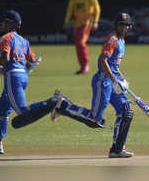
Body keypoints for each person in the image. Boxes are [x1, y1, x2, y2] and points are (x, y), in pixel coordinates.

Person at [52, 13, 134, 158]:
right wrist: (115, 80)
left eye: (126, 25)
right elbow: (103, 61)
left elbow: (114, 65)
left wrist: (122, 78)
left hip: (112, 80)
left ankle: (117, 149)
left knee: (126, 110)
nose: (123, 27)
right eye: (120, 24)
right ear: (116, 25)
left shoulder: (122, 41)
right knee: (95, 119)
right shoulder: (113, 39)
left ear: (129, 27)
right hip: (103, 81)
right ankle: (62, 105)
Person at [0, 10, 63, 154]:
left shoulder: (5, 38)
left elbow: (5, 59)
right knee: (3, 108)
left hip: (13, 77)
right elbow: (32, 61)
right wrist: (23, 68)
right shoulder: (24, 41)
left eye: (5, 22)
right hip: (22, 76)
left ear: (12, 24)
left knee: (22, 112)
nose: (2, 24)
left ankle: (54, 102)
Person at [63, 0, 101, 74]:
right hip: (77, 23)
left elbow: (97, 8)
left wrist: (95, 21)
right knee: (78, 45)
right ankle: (82, 66)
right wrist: (67, 21)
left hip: (86, 23)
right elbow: (70, 9)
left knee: (81, 43)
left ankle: (85, 66)